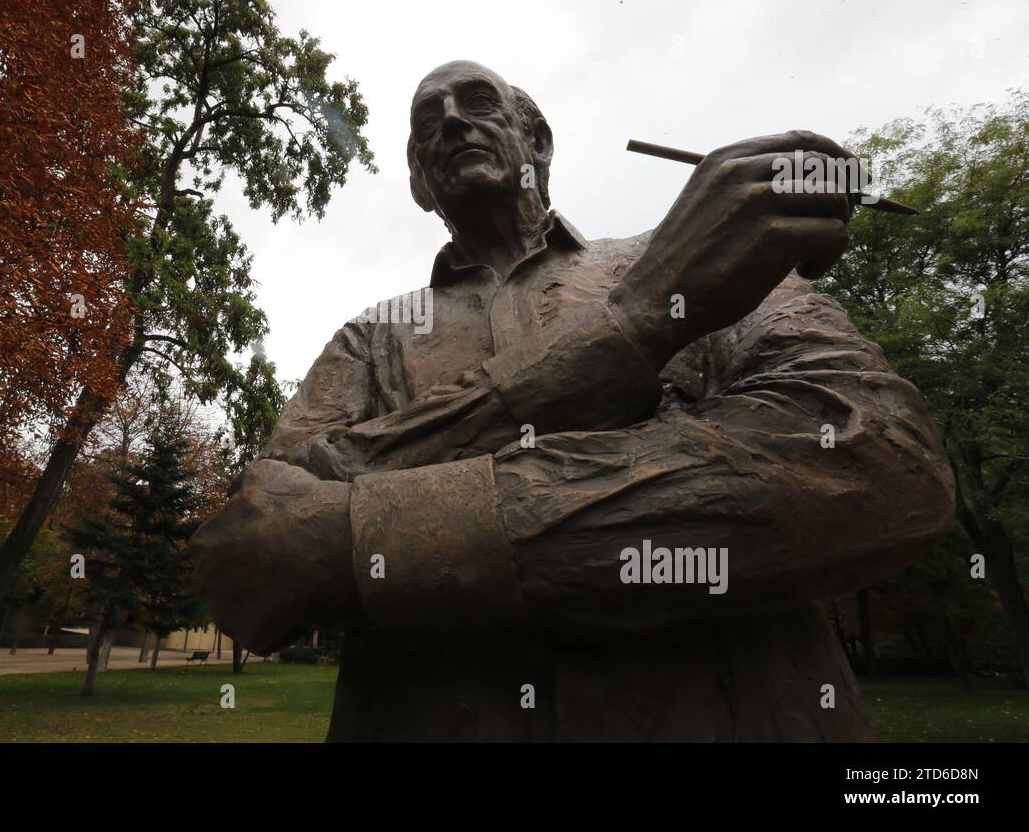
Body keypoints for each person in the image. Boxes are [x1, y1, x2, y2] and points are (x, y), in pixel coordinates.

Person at [191, 60, 954, 741]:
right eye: (428, 123)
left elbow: (880, 463)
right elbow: (255, 556)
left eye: (477, 103)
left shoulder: (698, 255)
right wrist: (630, 331)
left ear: (539, 143)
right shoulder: (373, 336)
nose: (451, 122)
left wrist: (373, 527)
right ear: (420, 183)